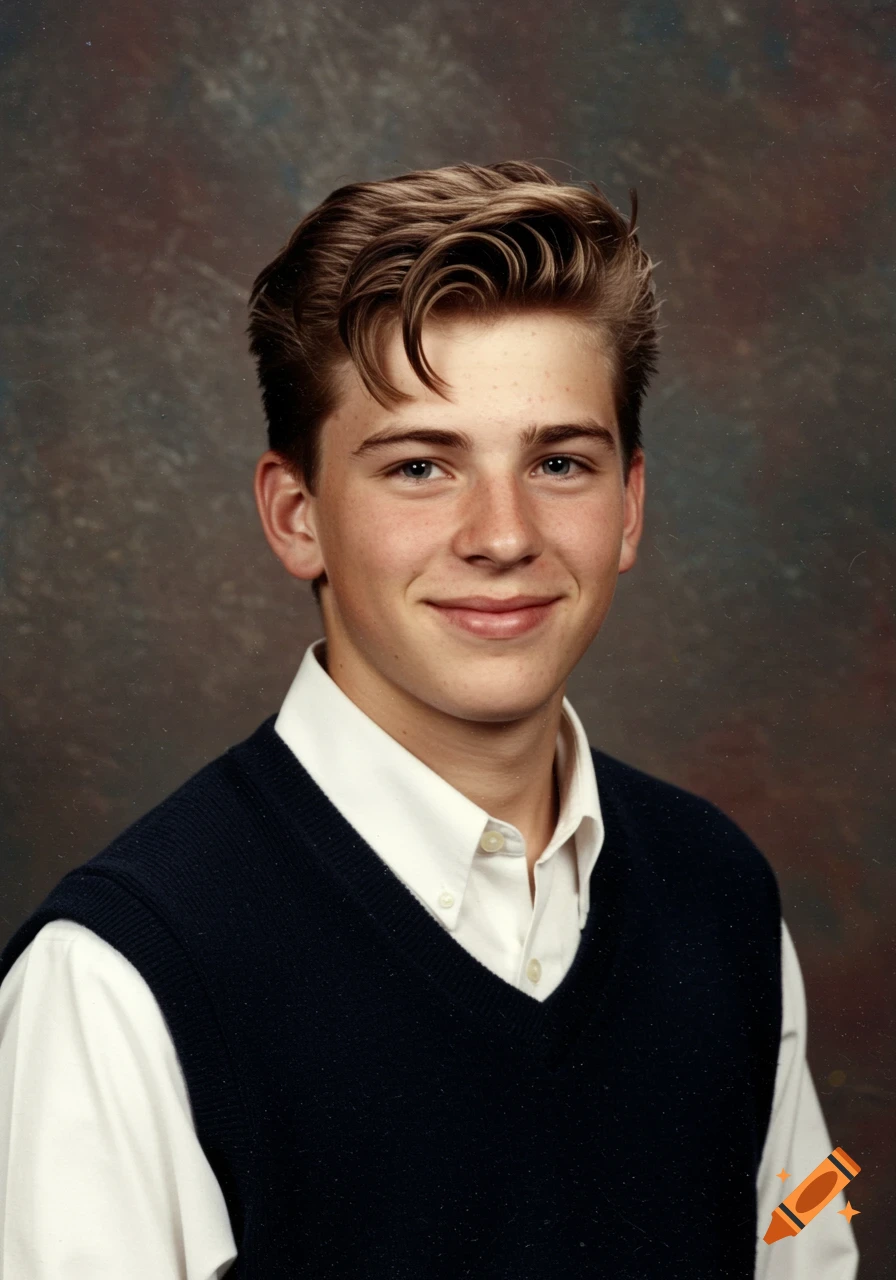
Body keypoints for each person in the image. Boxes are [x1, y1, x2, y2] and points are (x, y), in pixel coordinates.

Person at [0, 161, 859, 1279]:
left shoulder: (719, 895)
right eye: (419, 465)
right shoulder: (119, 982)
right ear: (295, 514)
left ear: (630, 505)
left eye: (558, 461)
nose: (501, 533)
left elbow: (799, 1251)